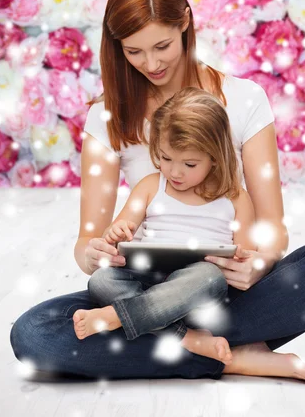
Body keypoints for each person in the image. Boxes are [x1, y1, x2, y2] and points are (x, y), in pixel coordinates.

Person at [10, 0, 305, 382]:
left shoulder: (244, 99)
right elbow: (87, 242)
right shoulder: (105, 117)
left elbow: (271, 228)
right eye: (134, 51)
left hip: (221, 287)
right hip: (137, 286)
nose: (152, 63)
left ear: (185, 23)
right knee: (33, 335)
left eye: (161, 45)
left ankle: (168, 342)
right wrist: (94, 252)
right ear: (116, 47)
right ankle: (224, 353)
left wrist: (258, 262)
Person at [74, 87, 261, 372]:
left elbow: (246, 255)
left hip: (196, 291)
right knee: (101, 281)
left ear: (215, 157)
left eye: (189, 163)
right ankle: (185, 338)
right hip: (148, 280)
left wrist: (242, 260)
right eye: (164, 158)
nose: (174, 172)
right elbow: (118, 232)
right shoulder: (151, 186)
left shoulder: (235, 198)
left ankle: (116, 317)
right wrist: (118, 232)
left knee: (209, 277)